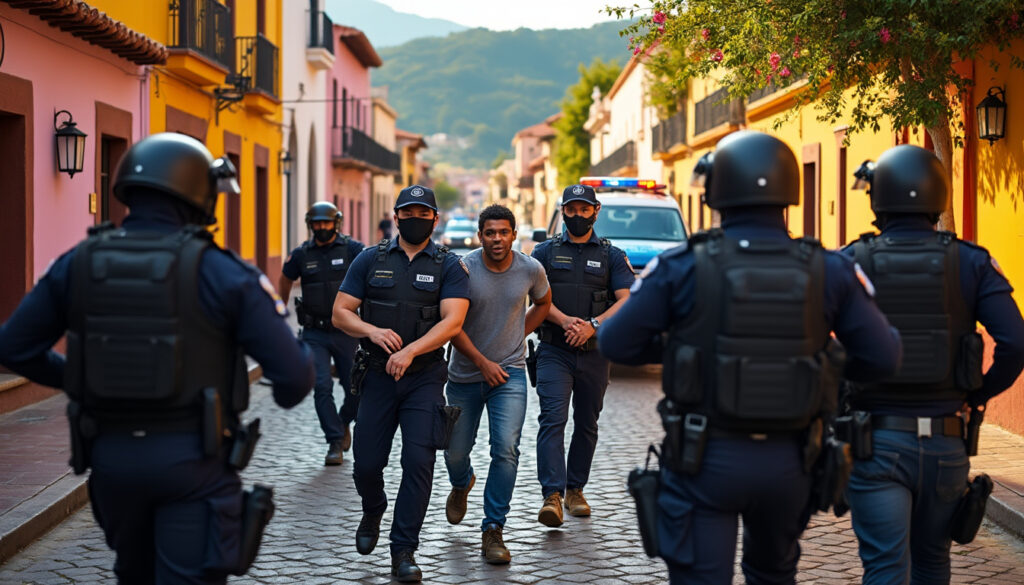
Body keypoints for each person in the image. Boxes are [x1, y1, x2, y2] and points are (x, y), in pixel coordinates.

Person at [0, 133, 315, 584]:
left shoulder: (79, 262)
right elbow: (296, 377)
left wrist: (77, 379)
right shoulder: (224, 271)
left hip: (110, 462)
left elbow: (13, 347)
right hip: (194, 463)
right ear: (199, 193)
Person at [598, 130, 902, 584]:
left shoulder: (683, 265)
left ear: (716, 190)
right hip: (792, 459)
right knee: (774, 575)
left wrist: (681, 352)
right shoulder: (829, 267)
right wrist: (823, 365)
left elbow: (615, 342)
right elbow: (883, 357)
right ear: (788, 191)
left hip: (705, 455)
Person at [842, 145, 1024, 584]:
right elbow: (1015, 342)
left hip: (877, 442)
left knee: (886, 567)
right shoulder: (972, 262)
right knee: (932, 563)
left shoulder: (853, 261)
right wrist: (975, 393)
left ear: (878, 197)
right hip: (946, 443)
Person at [332, 184, 470, 582]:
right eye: (407, 213)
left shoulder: (449, 265)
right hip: (376, 376)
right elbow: (341, 313)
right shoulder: (369, 259)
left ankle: (403, 549)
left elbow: (453, 321)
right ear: (396, 217)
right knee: (366, 464)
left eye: (422, 214)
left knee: (419, 462)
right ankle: (373, 507)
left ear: (435, 219)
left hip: (424, 378)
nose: (414, 220)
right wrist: (372, 331)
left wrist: (410, 352)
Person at [443, 204, 552, 564]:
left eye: (503, 232)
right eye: (490, 232)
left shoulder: (530, 268)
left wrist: (517, 334)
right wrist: (482, 362)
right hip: (464, 375)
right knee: (454, 451)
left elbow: (543, 302)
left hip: (510, 374)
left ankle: (493, 529)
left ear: (514, 233)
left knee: (505, 448)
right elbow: (451, 325)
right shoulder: (463, 269)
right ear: (480, 236)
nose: (497, 239)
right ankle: (462, 483)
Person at [530, 184, 635, 527]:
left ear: (596, 211)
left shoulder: (612, 255)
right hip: (553, 351)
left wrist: (593, 325)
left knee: (587, 424)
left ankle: (575, 489)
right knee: (552, 419)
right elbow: (534, 298)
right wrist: (563, 321)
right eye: (571, 210)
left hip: (595, 354)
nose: (577, 216)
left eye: (583, 209)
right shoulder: (544, 252)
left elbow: (626, 299)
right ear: (563, 211)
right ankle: (552, 495)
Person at [279, 202, 365, 465]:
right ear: (310, 225)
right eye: (317, 224)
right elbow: (284, 279)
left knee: (355, 389)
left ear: (336, 223)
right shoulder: (302, 254)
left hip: (346, 330)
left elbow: (369, 278)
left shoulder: (353, 250)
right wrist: (279, 311)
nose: (322, 228)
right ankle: (335, 441)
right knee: (321, 386)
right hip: (314, 332)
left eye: (326, 223)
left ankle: (343, 421)